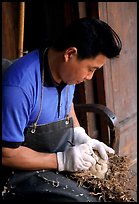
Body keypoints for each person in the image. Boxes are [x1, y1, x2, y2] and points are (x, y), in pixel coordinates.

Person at [2, 17, 122, 202]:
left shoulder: (65, 73)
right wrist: (62, 161)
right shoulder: (19, 88)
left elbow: (67, 105)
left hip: (55, 154)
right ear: (70, 53)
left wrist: (79, 134)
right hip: (20, 173)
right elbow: (7, 154)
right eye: (90, 69)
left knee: (110, 190)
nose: (90, 77)